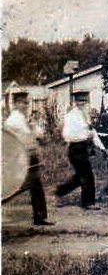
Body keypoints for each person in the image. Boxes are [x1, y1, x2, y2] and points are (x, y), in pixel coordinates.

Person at [3, 92, 53, 225]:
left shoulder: (25, 118)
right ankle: (39, 216)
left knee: (34, 185)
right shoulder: (13, 120)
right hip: (21, 157)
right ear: (16, 104)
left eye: (27, 103)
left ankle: (39, 216)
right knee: (22, 186)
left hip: (30, 156)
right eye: (23, 103)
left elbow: (37, 134)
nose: (26, 105)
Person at [55, 91, 106, 210]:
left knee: (80, 177)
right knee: (87, 175)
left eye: (85, 100)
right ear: (75, 102)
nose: (82, 103)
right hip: (75, 148)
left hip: (82, 148)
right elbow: (66, 135)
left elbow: (92, 133)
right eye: (80, 100)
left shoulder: (85, 115)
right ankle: (88, 203)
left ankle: (57, 192)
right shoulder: (71, 116)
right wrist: (83, 136)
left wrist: (102, 148)